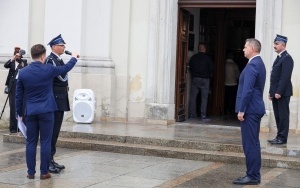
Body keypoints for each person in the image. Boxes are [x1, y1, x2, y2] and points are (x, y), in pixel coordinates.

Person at [15, 44, 79, 180]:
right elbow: (65, 68)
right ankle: (44, 172)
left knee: (31, 142)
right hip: (47, 111)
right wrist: (73, 58)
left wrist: (19, 113)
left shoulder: (23, 72)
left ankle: (30, 172)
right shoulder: (48, 69)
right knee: (45, 141)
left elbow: (18, 96)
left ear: (32, 56)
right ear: (43, 56)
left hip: (30, 112)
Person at [233, 38, 266, 185]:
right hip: (254, 108)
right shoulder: (258, 63)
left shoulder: (253, 65)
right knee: (253, 143)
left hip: (250, 110)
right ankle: (254, 174)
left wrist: (242, 110)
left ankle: (252, 175)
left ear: (252, 49)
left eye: (245, 47)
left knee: (250, 144)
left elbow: (247, 90)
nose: (243, 49)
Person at [45, 34, 74, 173]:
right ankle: (47, 162)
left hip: (60, 98)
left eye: (64, 45)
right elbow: (61, 76)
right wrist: (73, 60)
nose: (64, 48)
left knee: (55, 131)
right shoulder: (50, 60)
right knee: (51, 131)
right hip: (55, 99)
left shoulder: (58, 60)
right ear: (54, 47)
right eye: (61, 45)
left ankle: (51, 158)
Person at [268, 34, 294, 145]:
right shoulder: (279, 57)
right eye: (275, 43)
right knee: (278, 115)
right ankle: (279, 136)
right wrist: (271, 92)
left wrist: (279, 92)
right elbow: (274, 77)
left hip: (282, 93)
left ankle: (282, 138)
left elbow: (285, 77)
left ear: (283, 45)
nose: (275, 46)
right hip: (276, 92)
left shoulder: (287, 58)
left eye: (277, 44)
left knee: (283, 115)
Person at [4, 47, 27, 133]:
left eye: (19, 55)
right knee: (13, 106)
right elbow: (5, 65)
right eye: (16, 55)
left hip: (21, 85)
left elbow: (26, 70)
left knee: (21, 106)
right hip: (12, 86)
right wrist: (13, 58)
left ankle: (21, 127)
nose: (18, 57)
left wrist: (22, 64)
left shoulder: (24, 62)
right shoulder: (12, 62)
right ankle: (13, 128)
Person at [188, 43, 213, 120]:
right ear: (204, 49)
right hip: (205, 79)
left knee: (193, 97)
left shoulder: (193, 58)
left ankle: (192, 114)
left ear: (199, 49)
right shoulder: (208, 58)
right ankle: (203, 115)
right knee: (204, 97)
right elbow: (211, 69)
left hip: (195, 79)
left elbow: (190, 68)